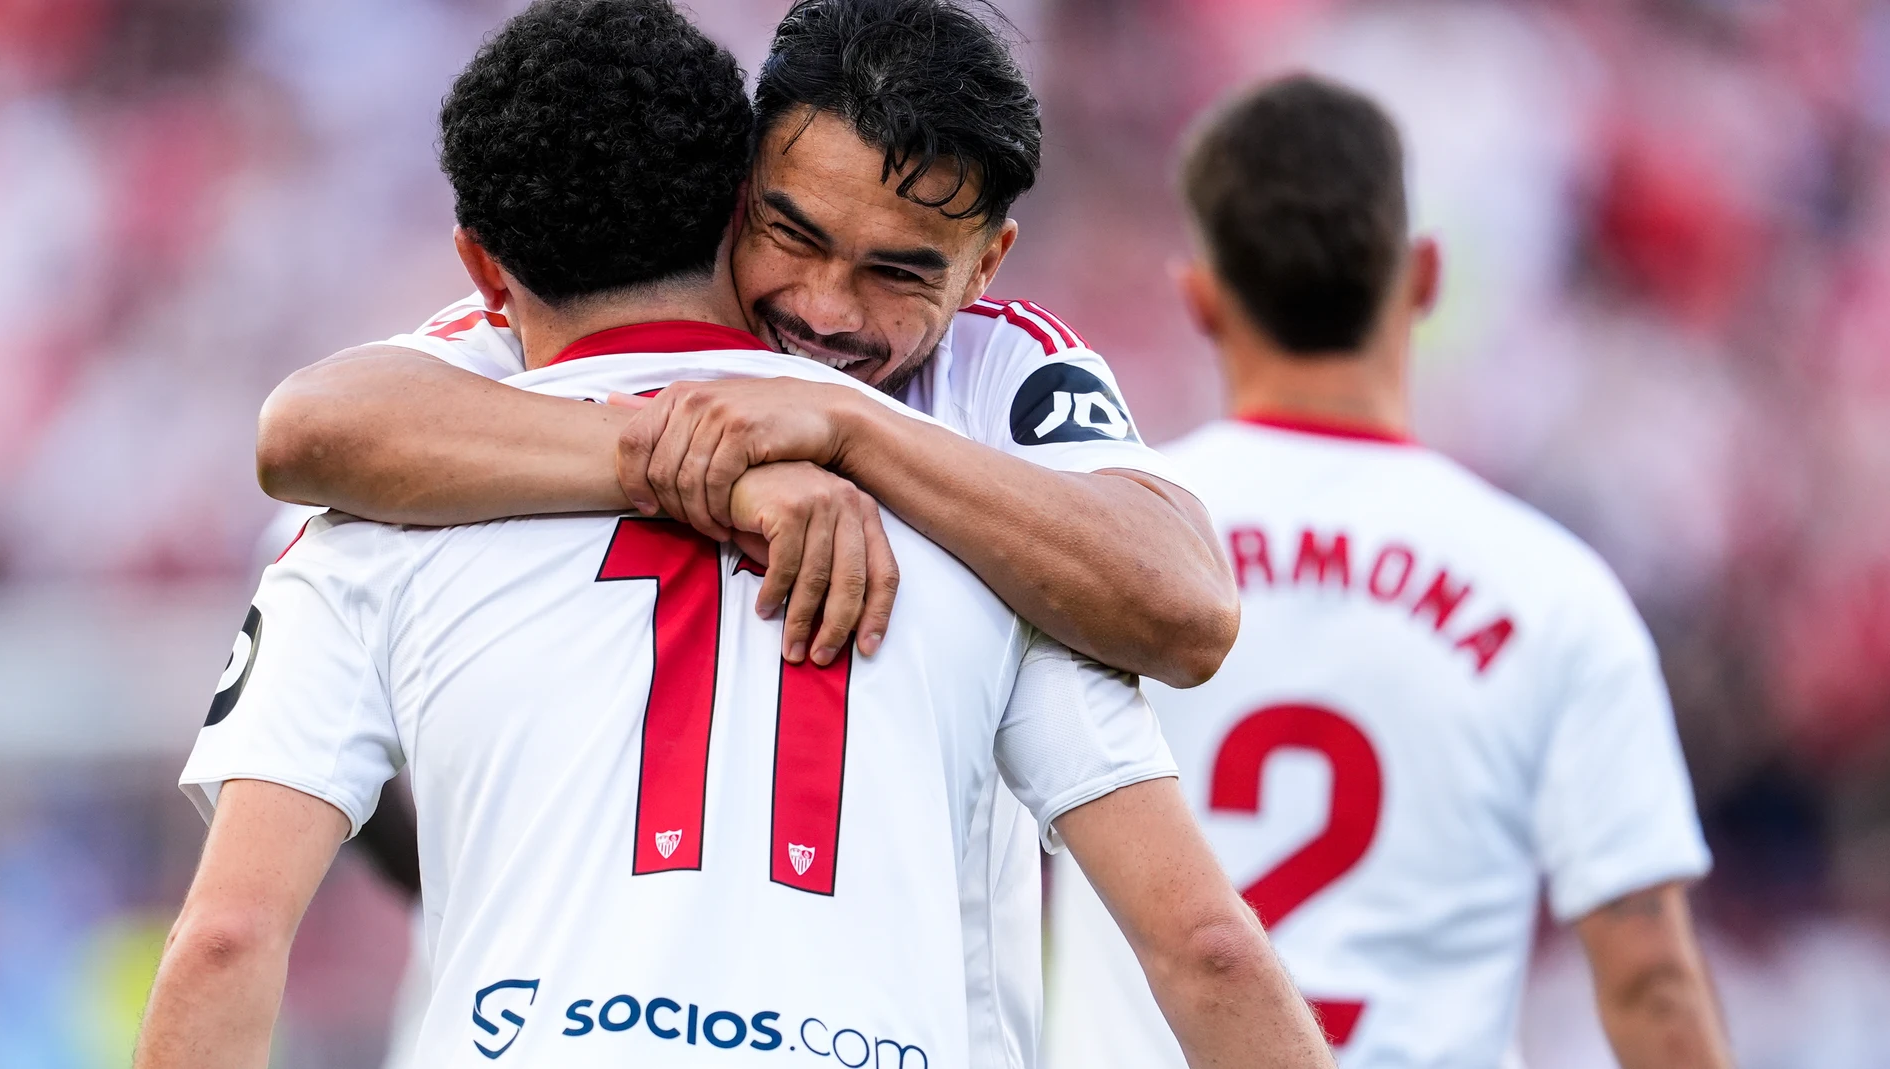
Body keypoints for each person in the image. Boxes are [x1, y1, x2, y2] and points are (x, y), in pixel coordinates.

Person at [133, 5, 1335, 1068]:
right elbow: (306, 425)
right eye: (795, 235)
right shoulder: (988, 553)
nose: (823, 312)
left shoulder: (1001, 409)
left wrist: (852, 434)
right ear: (730, 193)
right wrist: (712, 472)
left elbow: (1184, 608)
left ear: (987, 268)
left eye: (898, 273)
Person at [1044, 75, 1733, 1069]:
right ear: (1423, 277)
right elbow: (1649, 977)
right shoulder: (1551, 589)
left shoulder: (1097, 546)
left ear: (1198, 296)